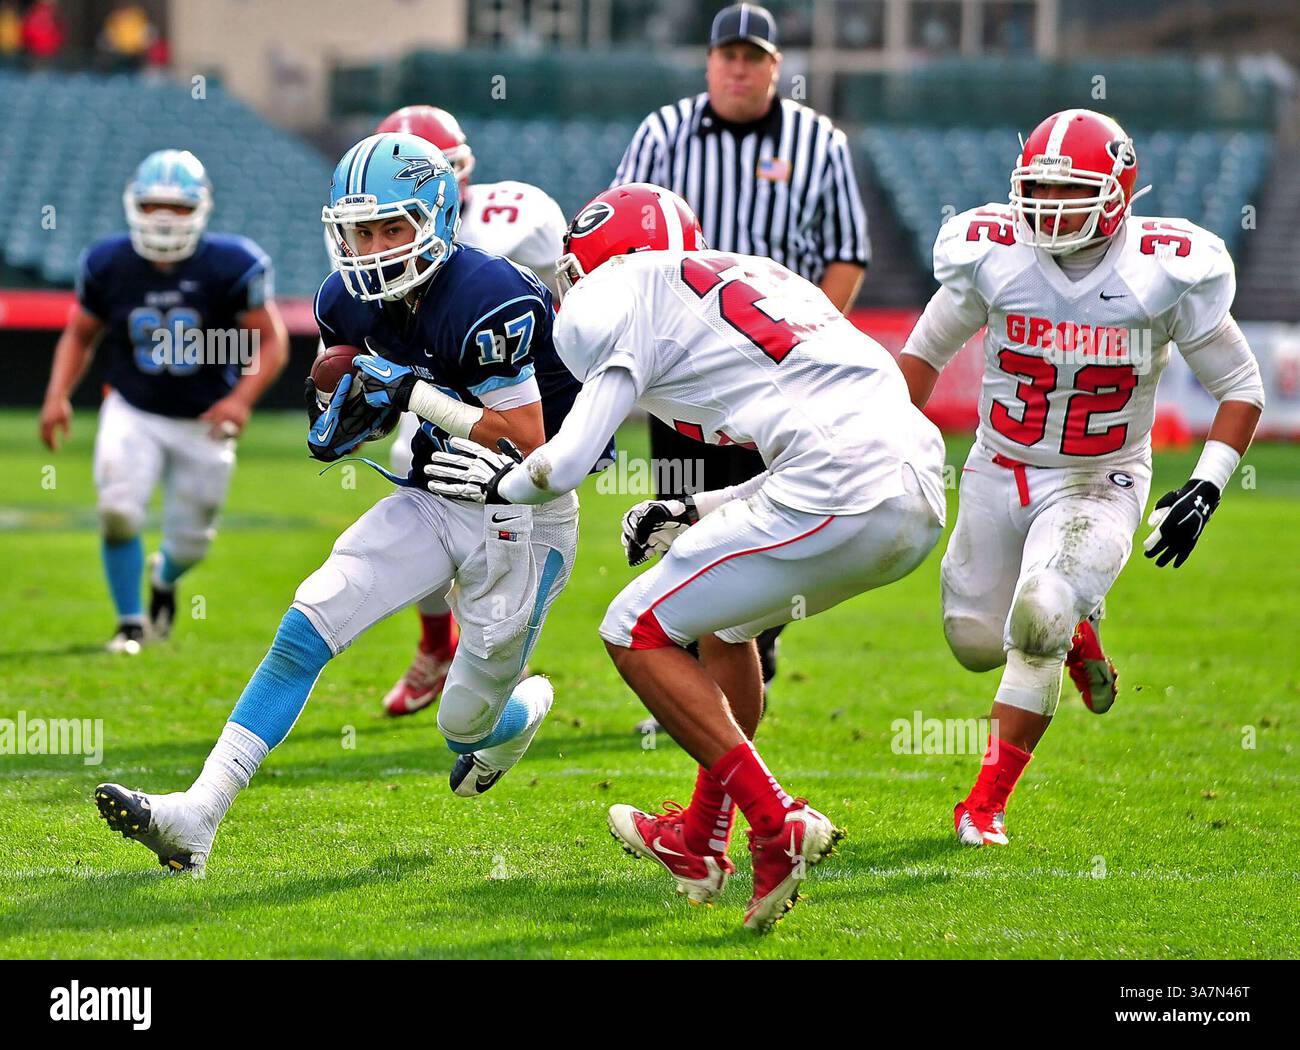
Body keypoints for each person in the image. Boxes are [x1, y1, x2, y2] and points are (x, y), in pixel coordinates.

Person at [425, 183, 946, 932]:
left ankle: (777, 821)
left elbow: (565, 463)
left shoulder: (619, 290)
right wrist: (695, 508)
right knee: (724, 629)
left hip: (838, 485)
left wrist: (500, 477)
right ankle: (700, 841)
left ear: (599, 258)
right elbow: (826, 427)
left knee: (630, 627)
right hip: (914, 483)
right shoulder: (765, 279)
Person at [93, 133, 596, 874]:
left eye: (392, 227)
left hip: (523, 513)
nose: (372, 247)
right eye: (359, 230)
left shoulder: (492, 293)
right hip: (432, 493)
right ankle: (197, 815)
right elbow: (372, 401)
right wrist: (340, 420)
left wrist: (412, 393)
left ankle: (521, 712)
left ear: (437, 219)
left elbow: (526, 439)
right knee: (310, 618)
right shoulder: (344, 300)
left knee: (465, 723)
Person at [896, 109, 1264, 847]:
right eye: (1037, 189)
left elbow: (1242, 383)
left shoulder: (1164, 268)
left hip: (1100, 479)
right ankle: (1081, 640)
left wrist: (1209, 485)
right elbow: (922, 356)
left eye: (1070, 192)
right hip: (998, 466)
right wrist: (880, 437)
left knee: (1037, 615)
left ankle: (984, 805)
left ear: (1118, 193)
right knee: (974, 641)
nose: (1048, 207)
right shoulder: (994, 253)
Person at [611, 2, 870, 694]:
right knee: (684, 516)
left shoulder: (821, 143)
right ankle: (702, 667)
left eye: (753, 57)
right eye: (728, 54)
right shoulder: (662, 134)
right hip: (683, 371)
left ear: (775, 67)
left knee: (768, 512)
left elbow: (846, 255)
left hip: (776, 373)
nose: (738, 67)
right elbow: (621, 247)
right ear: (709, 61)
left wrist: (803, 347)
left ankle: (751, 642)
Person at [40, 149, 287, 653]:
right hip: (134, 408)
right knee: (118, 511)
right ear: (135, 204)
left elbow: (272, 340)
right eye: (154, 205)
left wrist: (241, 400)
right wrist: (56, 396)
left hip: (205, 420)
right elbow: (79, 335)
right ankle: (130, 623)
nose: (163, 217)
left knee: (193, 543)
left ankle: (165, 575)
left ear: (199, 209)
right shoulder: (109, 262)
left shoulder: (232, 264)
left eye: (177, 207)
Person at [371, 104, 570, 718]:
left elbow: (568, 286)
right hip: (430, 381)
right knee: (416, 482)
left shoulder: (520, 213)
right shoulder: (377, 230)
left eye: (449, 167)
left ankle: (498, 650)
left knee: (518, 508)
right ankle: (440, 646)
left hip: (514, 382)